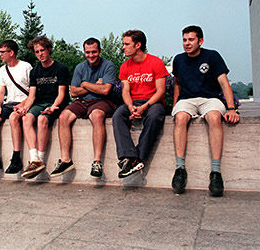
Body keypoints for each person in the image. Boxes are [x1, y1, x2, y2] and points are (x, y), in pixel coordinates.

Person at [171, 25, 240, 197]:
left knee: (215, 118)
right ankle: (180, 169)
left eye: (191, 40)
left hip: (210, 99)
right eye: (184, 40)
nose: (187, 43)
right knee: (180, 118)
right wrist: (174, 105)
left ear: (200, 41)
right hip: (187, 100)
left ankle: (215, 173)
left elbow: (224, 83)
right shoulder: (179, 59)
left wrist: (231, 109)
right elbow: (177, 84)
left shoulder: (212, 56)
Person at [51, 37, 117, 180]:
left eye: (94, 52)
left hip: (103, 101)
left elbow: (106, 90)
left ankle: (97, 162)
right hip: (82, 102)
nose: (91, 55)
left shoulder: (108, 66)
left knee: (97, 116)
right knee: (63, 116)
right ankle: (65, 160)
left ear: (99, 51)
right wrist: (94, 85)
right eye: (88, 52)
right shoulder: (80, 67)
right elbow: (73, 92)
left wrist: (84, 84)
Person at [112, 30, 169, 178]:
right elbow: (125, 91)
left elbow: (161, 91)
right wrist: (130, 106)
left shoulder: (156, 62)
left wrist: (145, 107)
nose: (123, 47)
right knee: (118, 114)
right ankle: (128, 156)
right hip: (134, 102)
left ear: (138, 45)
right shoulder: (125, 66)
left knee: (155, 115)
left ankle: (138, 158)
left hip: (152, 102)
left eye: (127, 44)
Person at [16, 36, 70, 179]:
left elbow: (62, 94)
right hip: (40, 103)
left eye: (42, 50)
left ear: (49, 49)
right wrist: (25, 108)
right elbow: (32, 96)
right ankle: (35, 159)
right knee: (26, 118)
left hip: (56, 103)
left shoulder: (61, 68)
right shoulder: (34, 71)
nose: (40, 54)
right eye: (37, 52)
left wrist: (53, 107)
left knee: (41, 120)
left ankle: (40, 158)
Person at [0, 40, 32, 174]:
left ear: (11, 52)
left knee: (14, 118)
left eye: (2, 52)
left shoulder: (26, 67)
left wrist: (24, 104)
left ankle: (16, 158)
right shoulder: (2, 70)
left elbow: (33, 91)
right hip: (9, 103)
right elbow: (1, 91)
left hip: (24, 101)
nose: (0, 55)